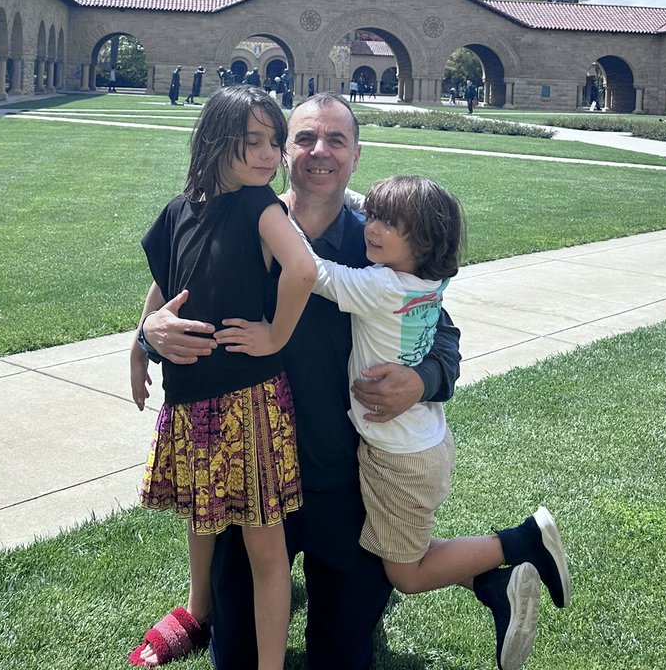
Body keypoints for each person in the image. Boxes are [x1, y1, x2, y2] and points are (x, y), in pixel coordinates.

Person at [138, 95, 466, 670]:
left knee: (341, 658)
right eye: (305, 138)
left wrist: (421, 379)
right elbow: (177, 285)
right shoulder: (238, 222)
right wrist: (146, 334)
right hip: (255, 474)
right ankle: (205, 609)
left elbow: (443, 335)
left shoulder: (380, 244)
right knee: (234, 657)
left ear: (356, 156)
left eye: (336, 140)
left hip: (344, 481)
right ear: (286, 152)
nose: (320, 152)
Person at [306, 175, 570, 670]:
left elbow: (316, 274)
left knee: (406, 572)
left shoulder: (383, 284)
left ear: (423, 239)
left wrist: (276, 220)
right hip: (424, 441)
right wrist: (357, 195)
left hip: (397, 458)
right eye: (374, 215)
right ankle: (493, 586)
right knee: (399, 548)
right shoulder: (430, 279)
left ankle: (521, 542)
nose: (373, 228)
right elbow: (394, 219)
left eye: (391, 223)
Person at [128, 86, 318, 669]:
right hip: (190, 400)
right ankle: (196, 610)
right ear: (215, 141)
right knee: (200, 512)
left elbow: (303, 268)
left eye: (273, 141)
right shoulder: (180, 210)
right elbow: (167, 284)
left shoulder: (261, 206)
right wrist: (139, 347)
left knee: (266, 547)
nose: (268, 154)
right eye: (252, 141)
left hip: (248, 403)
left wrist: (276, 335)